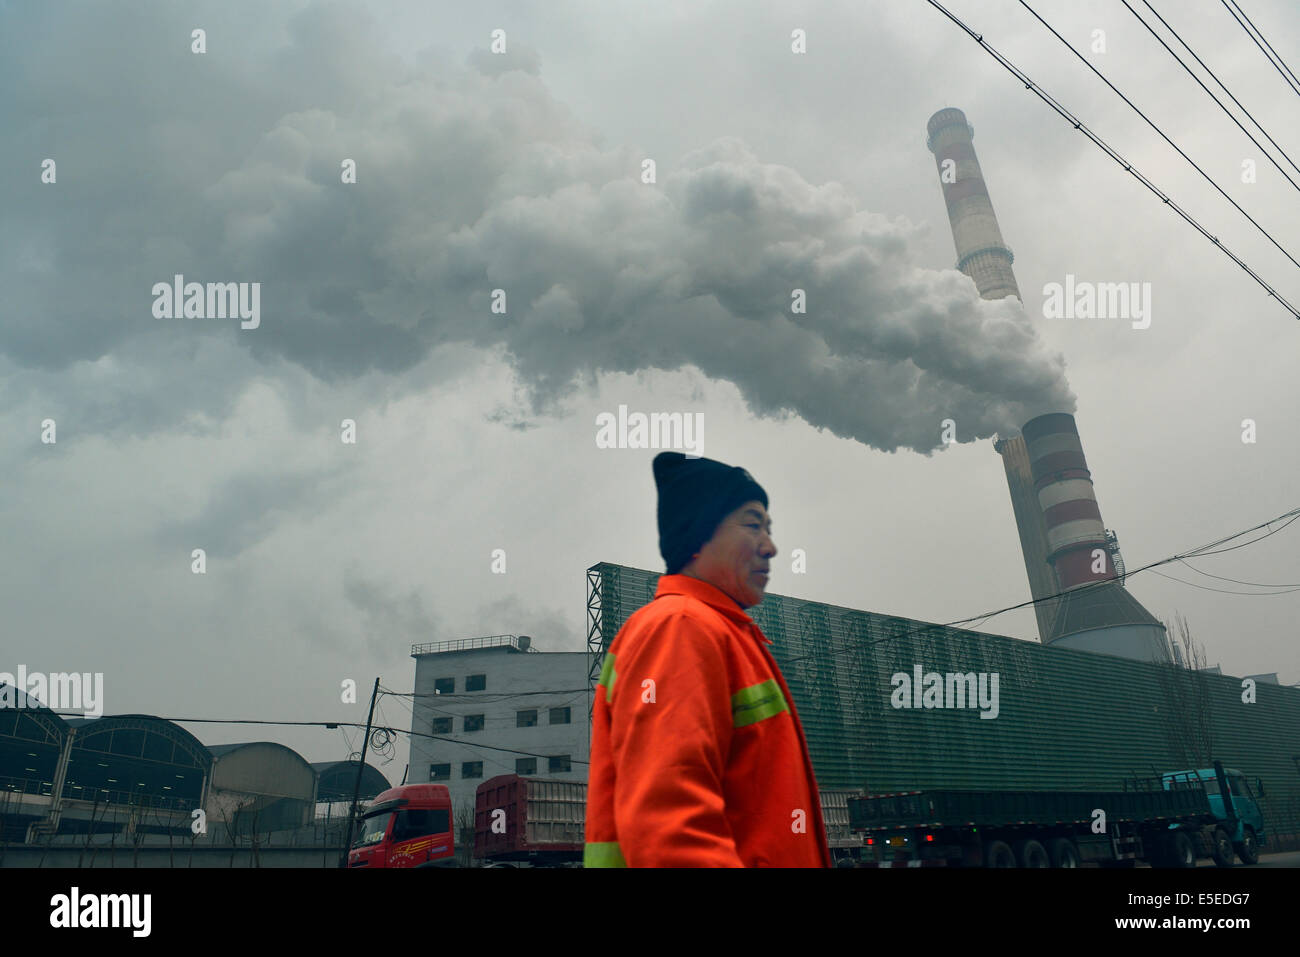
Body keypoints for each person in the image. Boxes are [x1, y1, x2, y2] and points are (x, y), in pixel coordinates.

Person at [584, 451, 831, 867]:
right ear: (697, 536)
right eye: (753, 525)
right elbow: (673, 831)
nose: (770, 547)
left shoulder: (723, 633)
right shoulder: (681, 627)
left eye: (769, 529)